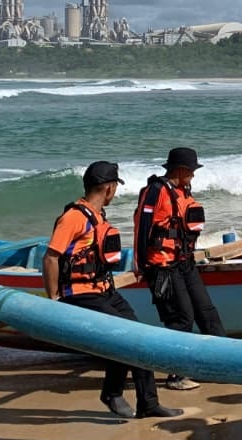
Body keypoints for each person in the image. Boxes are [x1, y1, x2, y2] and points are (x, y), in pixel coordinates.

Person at [43, 161, 183, 419]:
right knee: (123, 336)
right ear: (108, 188)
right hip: (81, 293)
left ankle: (148, 404)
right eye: (115, 187)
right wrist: (53, 299)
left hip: (104, 290)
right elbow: (51, 257)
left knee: (139, 336)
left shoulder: (96, 215)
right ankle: (112, 392)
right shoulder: (74, 217)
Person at [134, 147, 227, 391]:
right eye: (192, 171)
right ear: (181, 170)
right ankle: (175, 375)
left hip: (185, 262)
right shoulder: (155, 192)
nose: (194, 176)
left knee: (207, 312)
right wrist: (140, 262)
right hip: (162, 265)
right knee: (181, 317)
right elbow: (141, 228)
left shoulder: (183, 191)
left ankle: (224, 365)